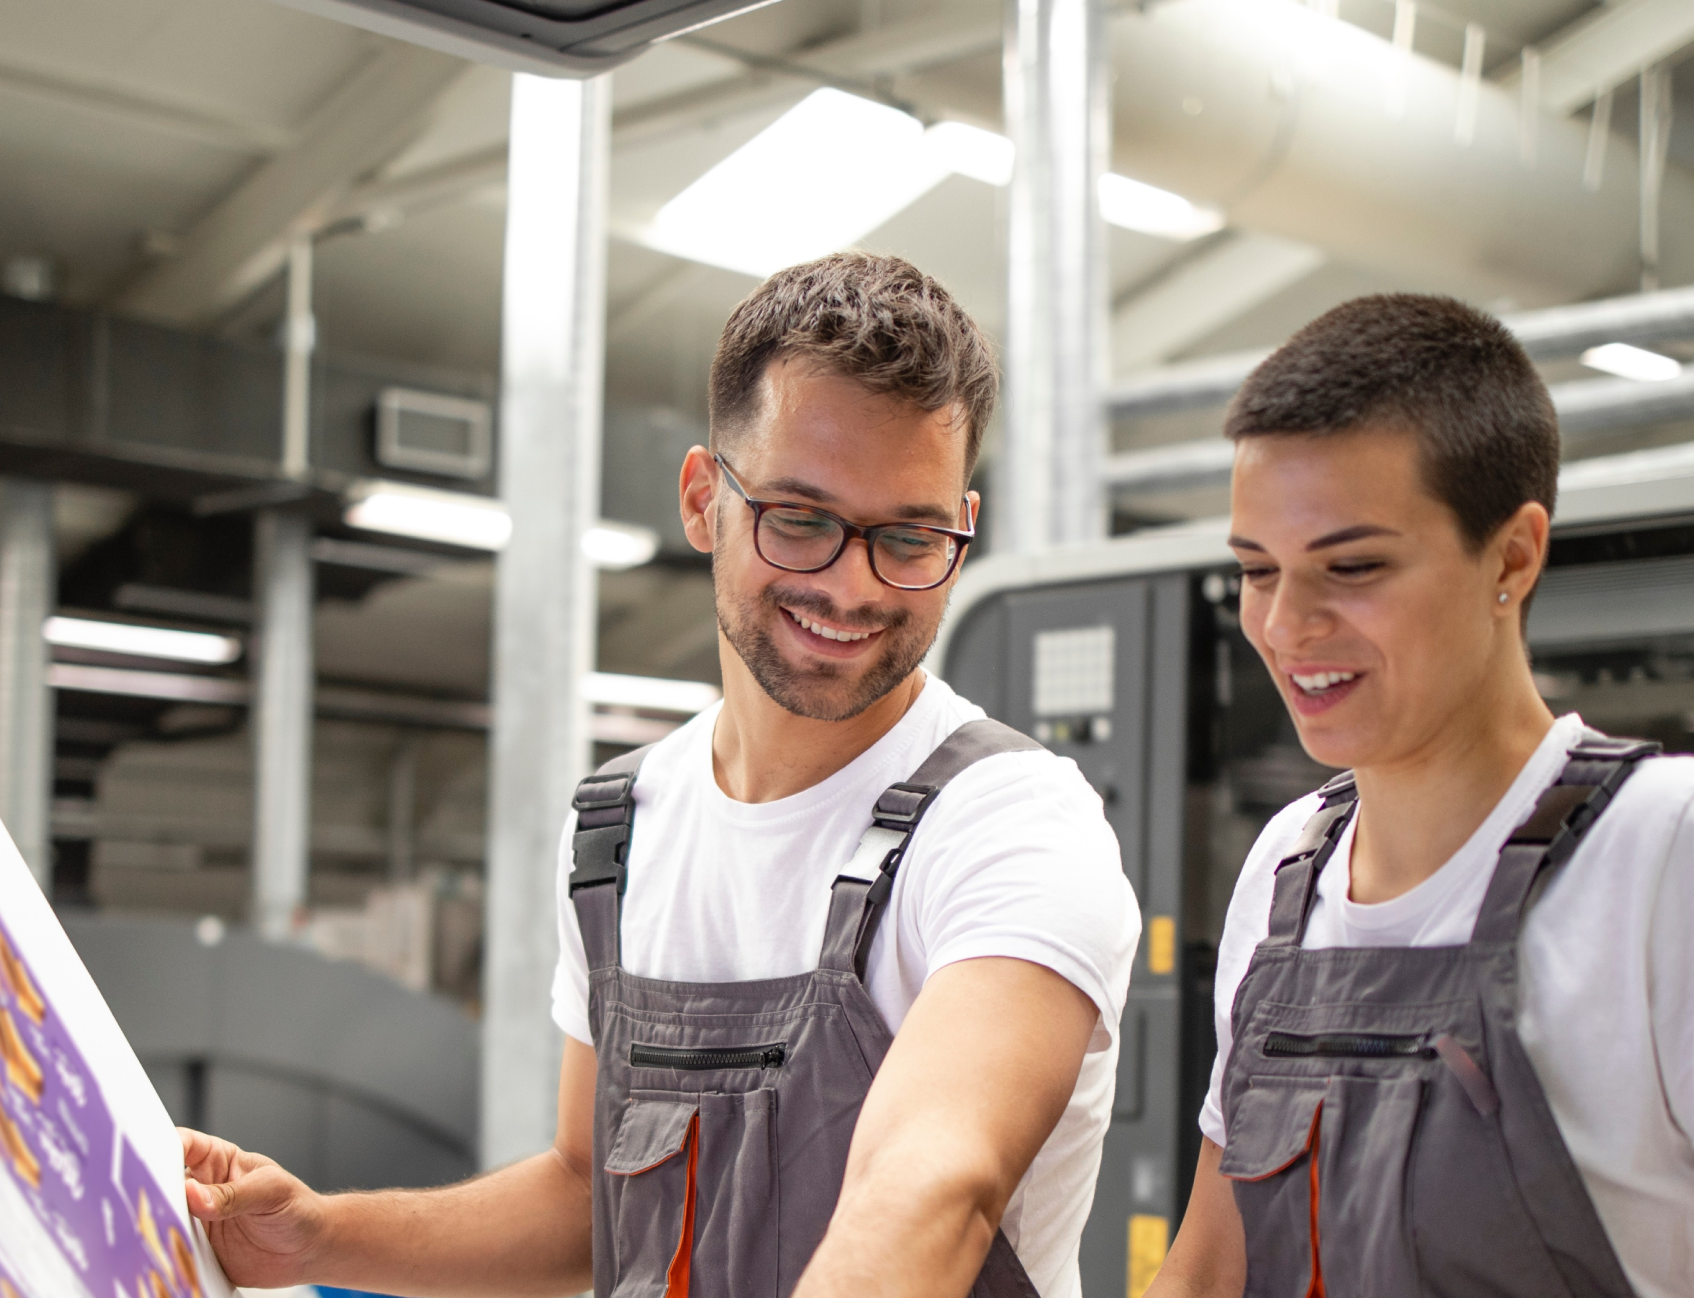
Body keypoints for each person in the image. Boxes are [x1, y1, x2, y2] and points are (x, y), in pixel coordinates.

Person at [176, 253, 1141, 1298]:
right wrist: (321, 1236)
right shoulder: (620, 828)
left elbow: (931, 1189)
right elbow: (589, 1194)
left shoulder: (1013, 823)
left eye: (908, 536)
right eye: (801, 518)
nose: (851, 584)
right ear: (702, 499)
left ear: (961, 527)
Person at [1143, 295, 1694, 1298]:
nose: (1289, 625)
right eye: (1257, 571)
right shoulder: (1288, 867)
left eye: (1352, 566)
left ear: (1513, 555)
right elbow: (1211, 1270)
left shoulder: (1672, 845)